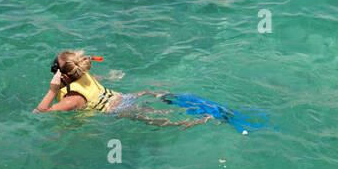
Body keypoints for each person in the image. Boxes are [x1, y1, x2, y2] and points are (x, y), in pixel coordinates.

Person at [34, 51, 209, 128]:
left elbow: (39, 113)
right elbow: (96, 81)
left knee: (153, 118)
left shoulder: (73, 99)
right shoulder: (84, 75)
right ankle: (177, 99)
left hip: (119, 109)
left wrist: (52, 90)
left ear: (63, 77)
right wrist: (111, 77)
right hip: (125, 97)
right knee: (148, 96)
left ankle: (189, 123)